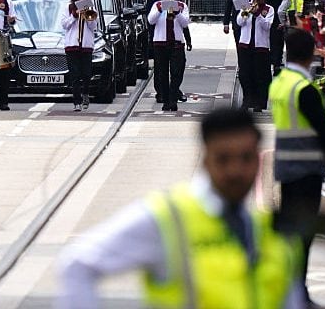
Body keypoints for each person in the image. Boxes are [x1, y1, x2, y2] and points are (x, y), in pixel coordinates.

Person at [57, 108, 303, 309]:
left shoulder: (274, 232)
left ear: (259, 160)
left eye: (246, 158)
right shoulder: (168, 218)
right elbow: (78, 264)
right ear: (205, 159)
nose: (235, 171)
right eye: (223, 159)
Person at [269, 28, 325, 307]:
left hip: (285, 168)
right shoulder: (304, 88)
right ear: (311, 53)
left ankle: (292, 290)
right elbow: (324, 127)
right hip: (306, 169)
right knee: (303, 235)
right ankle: (297, 293)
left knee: (291, 234)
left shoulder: (279, 82)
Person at [147, 0, 189, 112]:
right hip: (160, 43)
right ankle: (166, 100)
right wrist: (160, 9)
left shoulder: (182, 5)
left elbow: (185, 23)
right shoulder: (157, 4)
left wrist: (177, 14)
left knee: (177, 72)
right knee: (162, 73)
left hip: (176, 43)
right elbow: (151, 20)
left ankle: (173, 98)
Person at [236, 0, 276, 111]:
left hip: (261, 47)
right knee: (244, 74)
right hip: (245, 44)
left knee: (260, 76)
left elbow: (267, 26)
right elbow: (239, 22)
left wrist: (258, 14)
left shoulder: (269, 9)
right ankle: (247, 100)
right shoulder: (246, 5)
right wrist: (246, 12)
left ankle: (259, 102)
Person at [61, 0, 96, 112]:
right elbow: (64, 25)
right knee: (74, 75)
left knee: (86, 74)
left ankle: (85, 93)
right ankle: (77, 101)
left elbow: (93, 26)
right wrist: (74, 16)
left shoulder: (90, 7)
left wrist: (87, 14)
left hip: (86, 45)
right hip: (72, 45)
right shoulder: (68, 7)